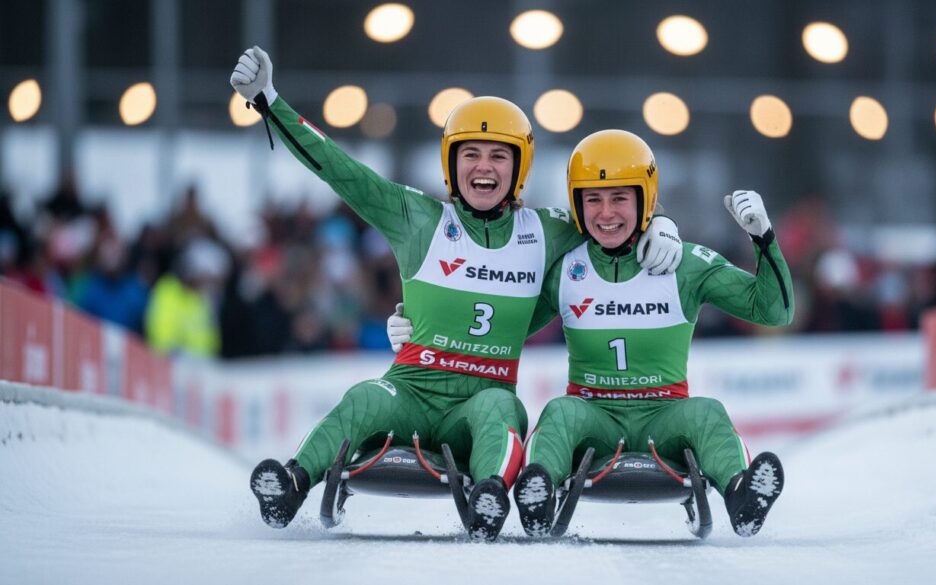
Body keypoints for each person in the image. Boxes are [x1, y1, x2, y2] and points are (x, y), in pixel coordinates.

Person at [230, 47, 685, 539]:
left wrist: (661, 222)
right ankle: (292, 483)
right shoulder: (418, 218)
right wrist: (269, 101)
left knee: (500, 410)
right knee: (364, 397)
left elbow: (612, 211)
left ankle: (490, 496)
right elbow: (337, 168)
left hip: (481, 400)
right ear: (451, 162)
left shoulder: (548, 231)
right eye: (470, 153)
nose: (483, 167)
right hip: (410, 390)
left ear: (519, 167)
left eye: (498, 155)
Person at [389, 130, 794, 538]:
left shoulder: (684, 263)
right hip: (592, 416)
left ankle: (743, 497)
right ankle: (538, 492)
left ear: (645, 198)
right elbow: (499, 328)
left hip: (666, 414)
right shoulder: (565, 265)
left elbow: (774, 311)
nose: (605, 214)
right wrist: (421, 331)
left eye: (619, 198)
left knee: (708, 412)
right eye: (593, 199)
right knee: (560, 411)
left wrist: (763, 239)